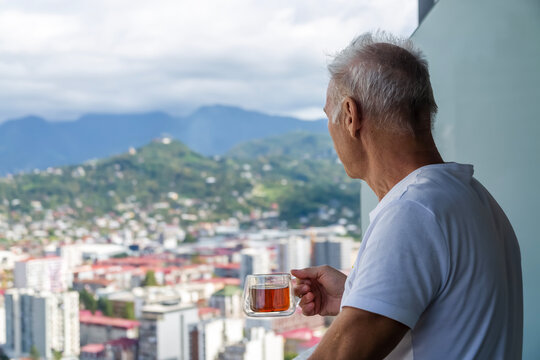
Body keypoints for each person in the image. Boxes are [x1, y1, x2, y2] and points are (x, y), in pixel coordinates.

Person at [292, 32, 523, 360]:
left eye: (328, 117)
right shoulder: (473, 198)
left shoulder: (412, 211)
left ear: (350, 116)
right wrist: (355, 295)